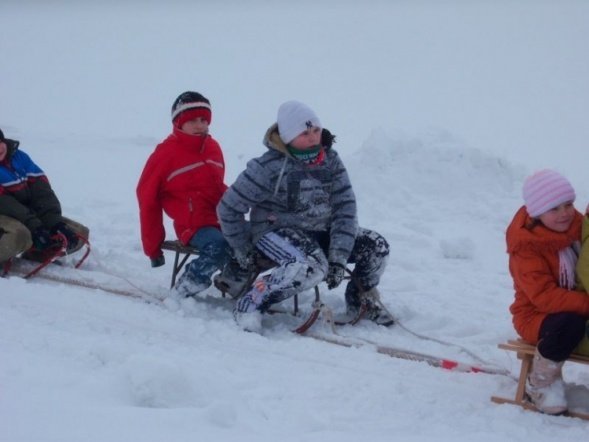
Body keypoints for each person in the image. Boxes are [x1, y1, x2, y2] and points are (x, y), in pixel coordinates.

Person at [217, 100, 391, 332]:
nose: (312, 137)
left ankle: (361, 300)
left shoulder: (331, 161)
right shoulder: (267, 167)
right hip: (275, 231)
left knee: (376, 247)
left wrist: (339, 257)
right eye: (304, 132)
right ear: (287, 136)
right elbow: (228, 207)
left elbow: (345, 208)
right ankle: (250, 303)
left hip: (320, 230)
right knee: (310, 266)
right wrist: (241, 247)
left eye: (316, 130)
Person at [506, 169, 589, 415]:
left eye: (568, 205)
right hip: (535, 315)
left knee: (574, 320)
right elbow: (544, 297)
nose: (564, 213)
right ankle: (541, 383)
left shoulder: (577, 227)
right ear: (537, 212)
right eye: (554, 209)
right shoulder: (526, 247)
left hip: (575, 305)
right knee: (569, 324)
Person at [136, 91, 235, 297]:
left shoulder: (213, 148)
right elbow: (147, 199)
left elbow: (217, 186)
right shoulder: (165, 155)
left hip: (222, 220)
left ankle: (237, 284)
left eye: (203, 120)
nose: (200, 125)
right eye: (192, 120)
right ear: (178, 122)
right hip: (193, 225)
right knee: (219, 245)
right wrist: (153, 247)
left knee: (252, 243)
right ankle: (187, 285)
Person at [0, 128, 89, 265]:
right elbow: (6, 204)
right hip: (6, 214)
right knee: (21, 235)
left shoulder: (19, 157)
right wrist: (35, 227)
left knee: (78, 233)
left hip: (25, 214)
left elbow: (41, 189)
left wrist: (54, 223)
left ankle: (38, 254)